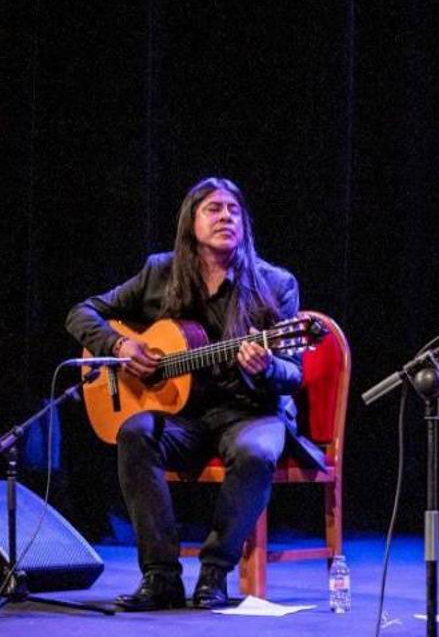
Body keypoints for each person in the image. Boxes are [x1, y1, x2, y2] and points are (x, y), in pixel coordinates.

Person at [66, 177, 324, 610]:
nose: (226, 216)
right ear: (191, 222)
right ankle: (161, 575)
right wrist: (120, 346)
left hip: (248, 411)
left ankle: (214, 574)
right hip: (182, 418)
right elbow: (82, 312)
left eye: (234, 210)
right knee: (134, 431)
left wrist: (264, 368)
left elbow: (291, 376)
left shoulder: (274, 284)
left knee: (257, 451)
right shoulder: (159, 273)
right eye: (214, 209)